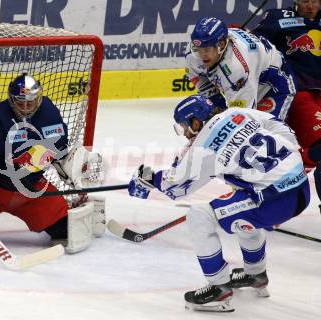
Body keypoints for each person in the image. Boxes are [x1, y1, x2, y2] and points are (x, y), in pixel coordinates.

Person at [128, 94, 310, 312]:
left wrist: (148, 181)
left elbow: (175, 187)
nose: (186, 134)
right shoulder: (236, 113)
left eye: (185, 127)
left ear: (196, 121)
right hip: (301, 187)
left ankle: (219, 288)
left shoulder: (203, 146)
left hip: (274, 201)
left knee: (200, 214)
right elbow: (279, 125)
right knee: (243, 206)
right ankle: (255, 274)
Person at [0, 73, 105, 253]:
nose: (26, 107)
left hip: (31, 192)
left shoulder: (49, 112)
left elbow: (59, 147)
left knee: (65, 229)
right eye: (21, 102)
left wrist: (67, 165)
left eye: (31, 102)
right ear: (12, 100)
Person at [252, 0, 321, 203]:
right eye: (305, 0)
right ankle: (289, 165)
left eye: (314, 1)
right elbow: (253, 44)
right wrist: (236, 37)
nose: (310, 6)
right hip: (299, 94)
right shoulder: (278, 18)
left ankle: (289, 165)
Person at [185, 17, 297, 121]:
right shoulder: (192, 55)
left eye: (207, 50)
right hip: (249, 79)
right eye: (197, 49)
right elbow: (200, 80)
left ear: (221, 44)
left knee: (265, 129)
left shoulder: (237, 68)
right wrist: (217, 110)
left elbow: (244, 117)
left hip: (274, 87)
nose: (201, 55)